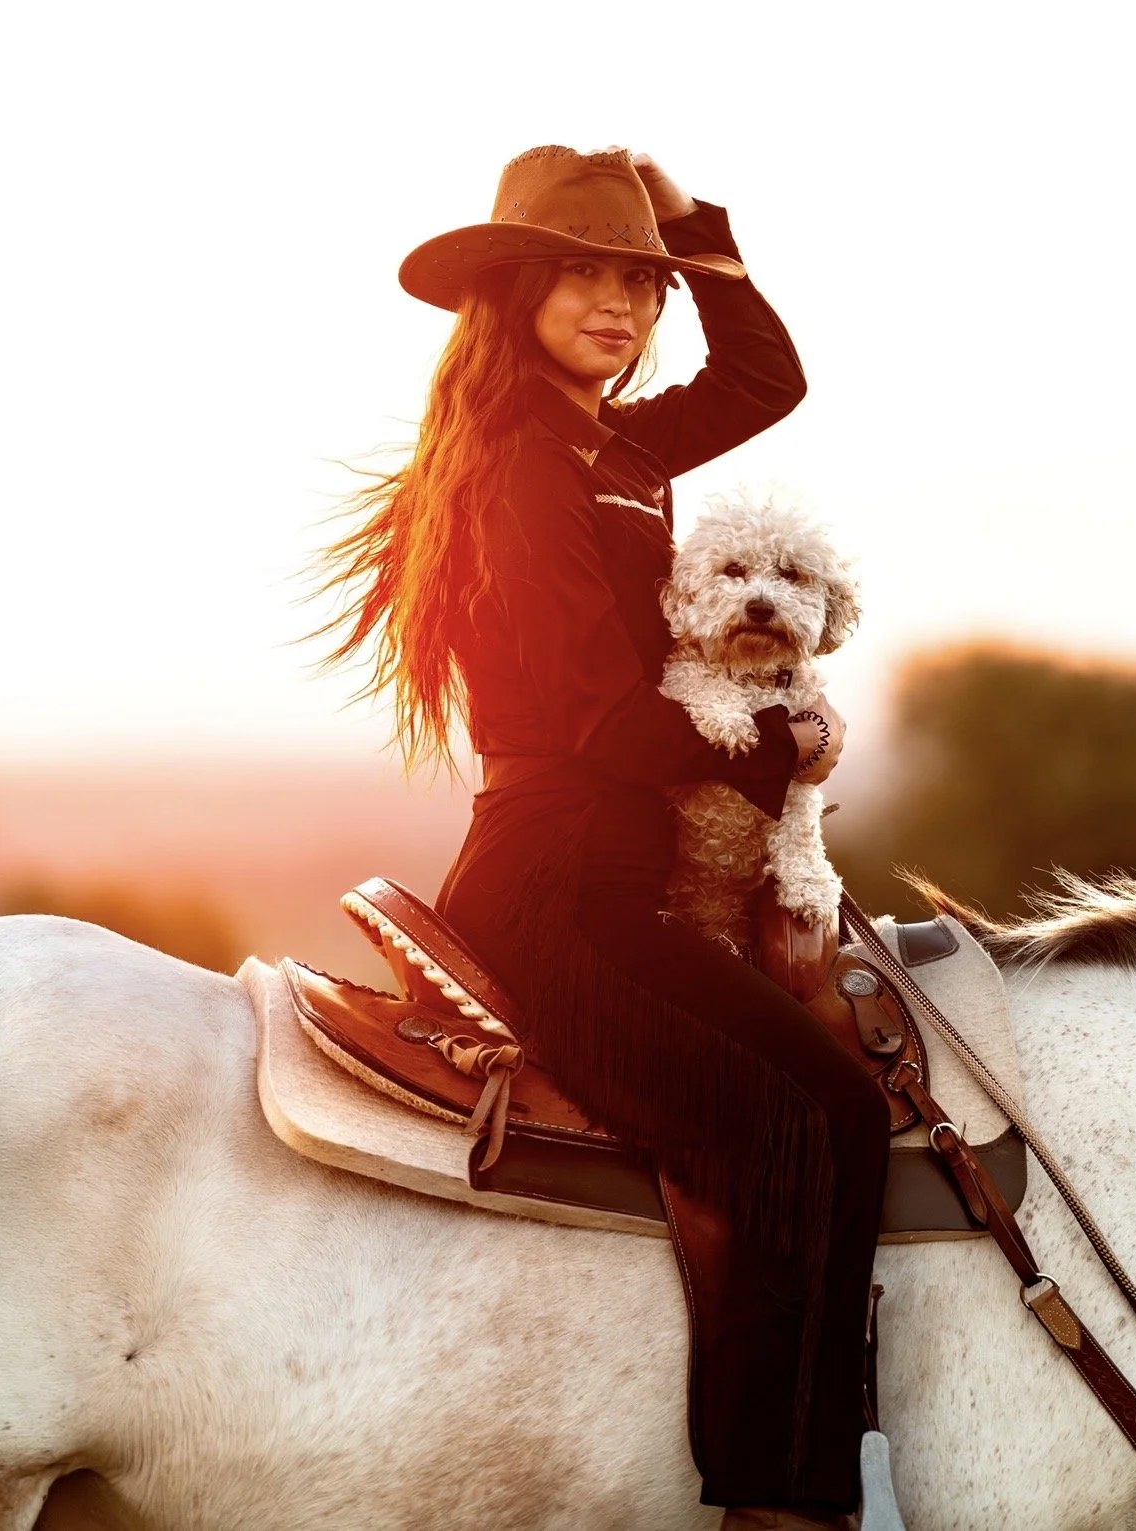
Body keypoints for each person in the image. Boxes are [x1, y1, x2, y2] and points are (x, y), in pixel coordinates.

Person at [318, 144, 890, 1530]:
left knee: (832, 1104)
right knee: (814, 1120)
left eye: (639, 283)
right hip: (563, 881)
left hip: (620, 864)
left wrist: (695, 228)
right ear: (512, 290)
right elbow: (599, 723)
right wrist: (791, 748)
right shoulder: (518, 465)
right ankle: (777, 1500)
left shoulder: (616, 448)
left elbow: (765, 381)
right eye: (581, 274)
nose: (618, 305)